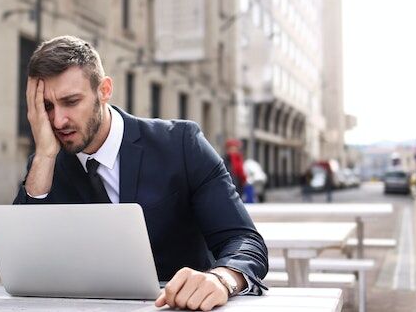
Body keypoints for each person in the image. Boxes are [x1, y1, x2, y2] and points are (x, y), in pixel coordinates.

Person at [13, 36, 268, 311]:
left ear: (104, 90)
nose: (58, 121)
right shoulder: (47, 164)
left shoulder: (181, 144)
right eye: (47, 107)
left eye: (71, 101)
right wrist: (44, 155)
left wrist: (221, 279)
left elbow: (244, 241)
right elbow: (22, 259)